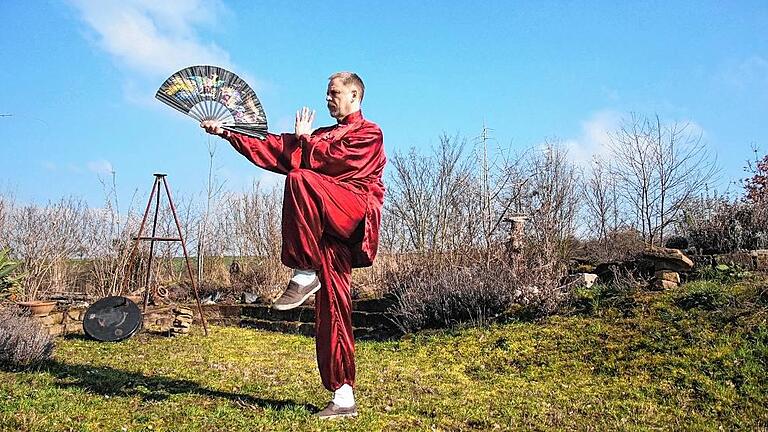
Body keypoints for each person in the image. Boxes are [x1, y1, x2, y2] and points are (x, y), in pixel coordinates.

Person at [201, 72, 385, 419]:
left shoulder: (369, 133)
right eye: (327, 93)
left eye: (334, 93)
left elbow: (336, 161)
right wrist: (227, 132)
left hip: (351, 211)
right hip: (325, 236)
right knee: (333, 309)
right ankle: (343, 397)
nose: (328, 99)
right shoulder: (317, 136)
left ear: (355, 96)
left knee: (300, 177)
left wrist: (305, 142)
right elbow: (272, 147)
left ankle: (303, 270)